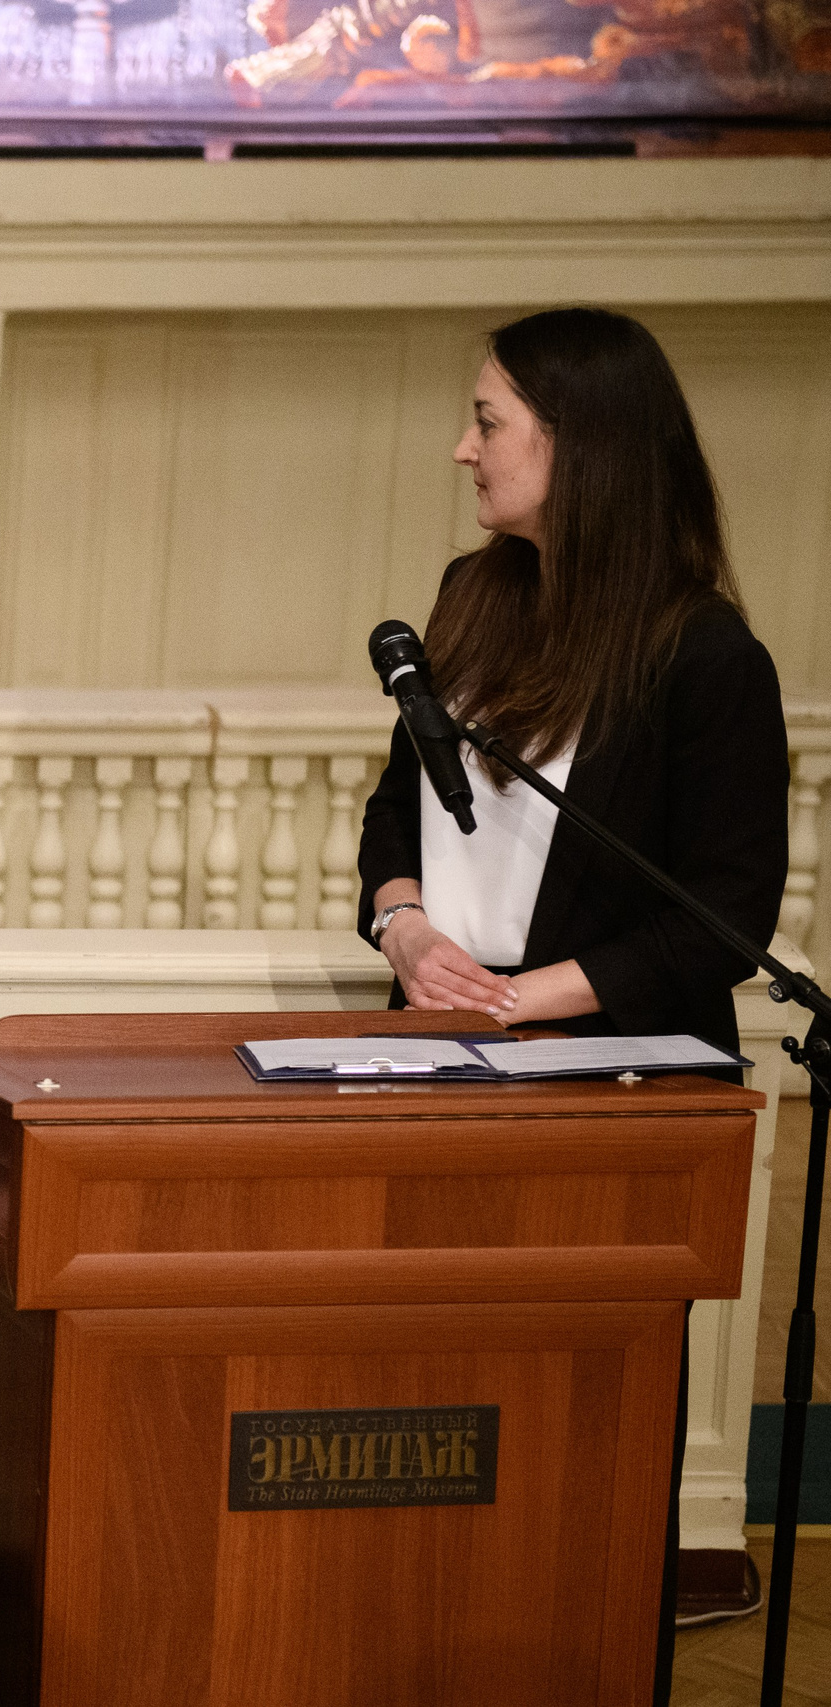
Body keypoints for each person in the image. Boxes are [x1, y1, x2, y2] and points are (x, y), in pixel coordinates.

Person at [356, 305, 788, 1704]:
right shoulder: (470, 599)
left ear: (583, 445)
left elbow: (723, 909)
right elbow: (392, 813)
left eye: (490, 422)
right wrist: (408, 925)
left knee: (565, 1442)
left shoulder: (705, 656)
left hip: (603, 1104)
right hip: (440, 1068)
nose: (462, 448)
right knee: (427, 1417)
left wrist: (530, 1000)